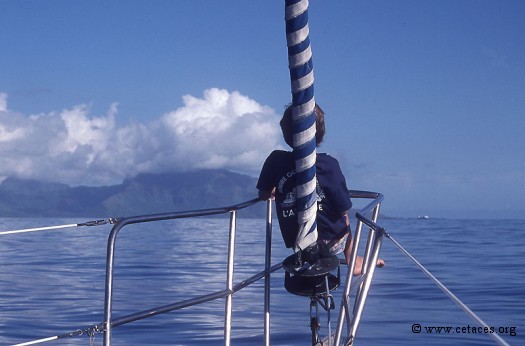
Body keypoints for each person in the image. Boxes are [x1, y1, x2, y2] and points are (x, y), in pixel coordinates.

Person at [257, 104, 384, 275]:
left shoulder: (275, 161)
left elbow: (263, 194)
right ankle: (353, 259)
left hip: (297, 242)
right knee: (344, 215)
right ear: (319, 134)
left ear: (286, 133)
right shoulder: (329, 165)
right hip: (331, 243)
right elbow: (342, 208)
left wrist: (276, 190)